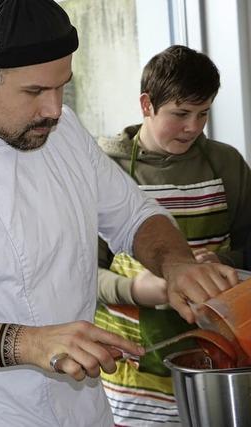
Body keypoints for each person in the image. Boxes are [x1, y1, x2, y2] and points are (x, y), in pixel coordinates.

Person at [0, 1, 239, 426]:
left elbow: (133, 215)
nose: (53, 109)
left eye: (62, 87)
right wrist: (29, 343)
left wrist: (176, 263)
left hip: (86, 409)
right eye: (34, 92)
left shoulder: (64, 131)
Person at [94, 45, 251, 425]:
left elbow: (249, 247)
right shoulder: (104, 169)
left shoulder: (226, 164)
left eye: (203, 114)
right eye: (180, 114)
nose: (193, 127)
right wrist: (136, 290)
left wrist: (222, 262)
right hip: (132, 375)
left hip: (216, 369)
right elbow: (81, 274)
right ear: (147, 104)